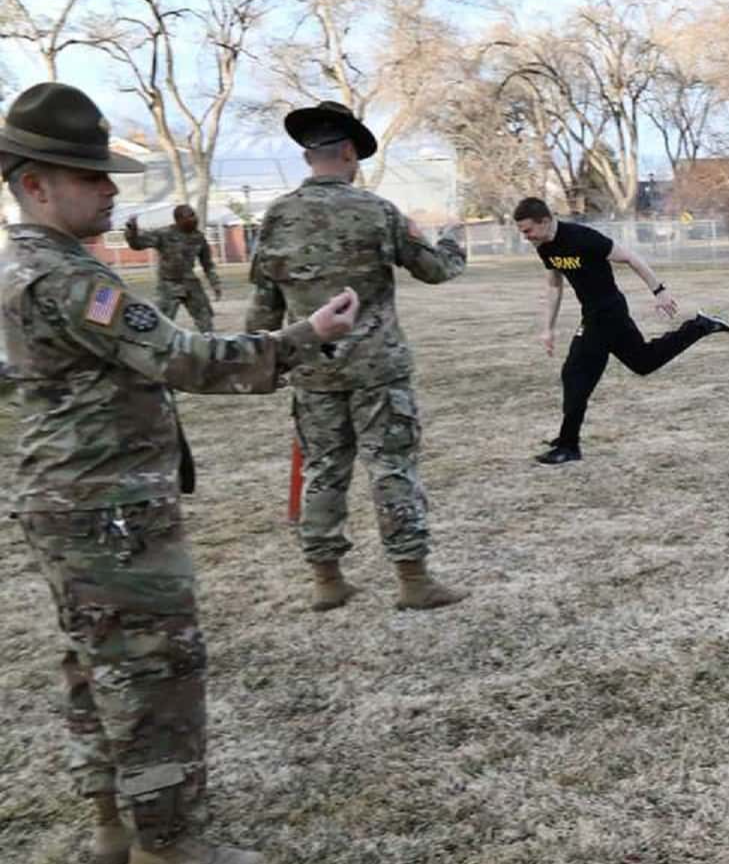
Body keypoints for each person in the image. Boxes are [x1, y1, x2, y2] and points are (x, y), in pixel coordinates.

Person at [1, 82, 358, 864]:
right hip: (109, 509)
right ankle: (171, 844)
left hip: (68, 501)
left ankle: (112, 826)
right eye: (90, 178)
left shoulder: (29, 266)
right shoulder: (65, 278)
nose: (108, 191)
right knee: (156, 672)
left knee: (96, 663)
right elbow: (183, 356)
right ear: (34, 185)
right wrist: (306, 334)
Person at [245, 101, 469, 613]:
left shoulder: (275, 217)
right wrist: (455, 243)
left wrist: (265, 357)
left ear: (308, 157)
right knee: (391, 466)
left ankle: (327, 579)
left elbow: (262, 305)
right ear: (349, 152)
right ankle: (413, 579)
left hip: (311, 368)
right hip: (377, 368)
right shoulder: (377, 211)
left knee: (323, 470)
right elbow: (433, 269)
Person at [513, 197, 729, 465]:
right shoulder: (545, 247)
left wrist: (659, 290)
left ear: (545, 221)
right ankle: (700, 326)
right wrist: (547, 328)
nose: (525, 237)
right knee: (643, 361)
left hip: (608, 313)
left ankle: (569, 445)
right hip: (596, 314)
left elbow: (630, 257)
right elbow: (554, 285)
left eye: (527, 230)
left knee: (575, 374)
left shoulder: (583, 238)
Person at [123, 205, 222, 333]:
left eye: (194, 214)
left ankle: (208, 345)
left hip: (190, 283)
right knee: (161, 322)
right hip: (168, 284)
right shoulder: (164, 234)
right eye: (190, 215)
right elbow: (138, 244)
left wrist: (215, 283)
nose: (194, 218)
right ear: (179, 219)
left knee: (205, 317)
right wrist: (132, 230)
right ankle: (159, 350)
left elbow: (207, 264)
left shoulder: (198, 237)